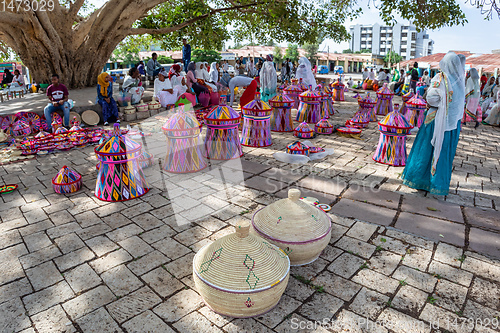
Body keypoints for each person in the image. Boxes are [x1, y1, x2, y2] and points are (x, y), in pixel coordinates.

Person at [402, 52, 465, 196]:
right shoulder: (459, 81)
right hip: (451, 125)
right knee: (442, 152)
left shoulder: (441, 78)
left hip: (435, 120)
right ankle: (437, 182)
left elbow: (431, 98)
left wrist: (437, 104)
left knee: (426, 148)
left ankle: (421, 180)